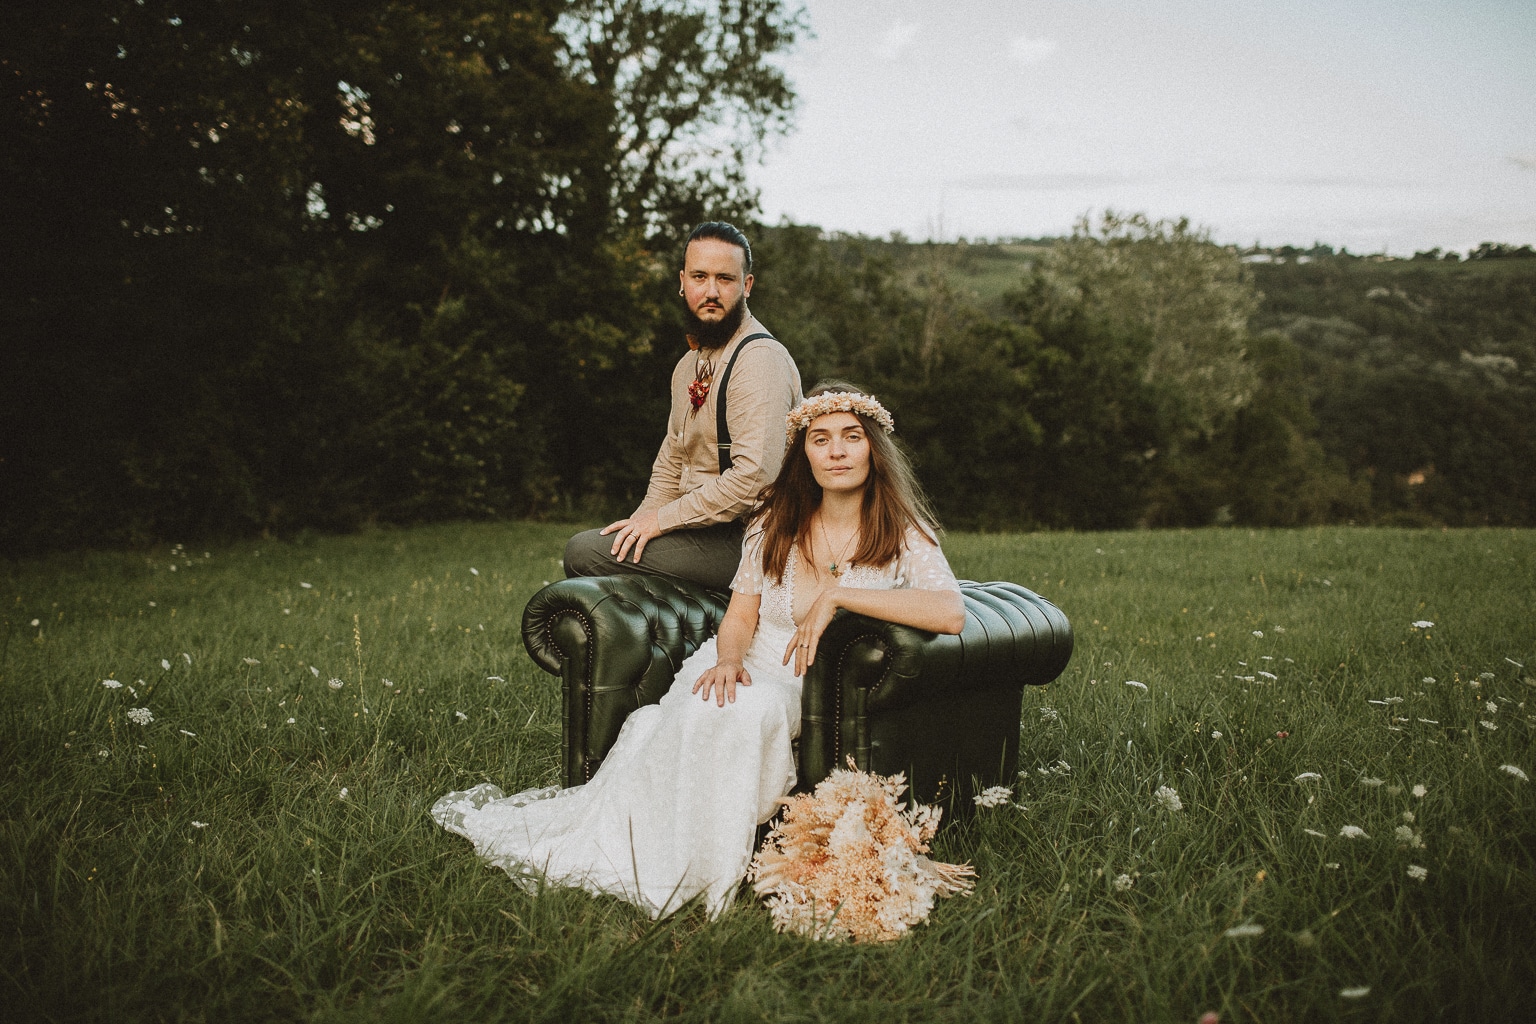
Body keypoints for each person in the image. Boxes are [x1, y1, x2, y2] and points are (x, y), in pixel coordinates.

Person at [432, 383, 966, 919]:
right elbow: (739, 616)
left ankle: (709, 875)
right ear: (803, 454)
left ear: (873, 448)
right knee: (711, 700)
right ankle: (659, 855)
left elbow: (950, 612)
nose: (836, 452)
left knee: (745, 714)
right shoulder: (773, 526)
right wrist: (728, 660)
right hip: (750, 656)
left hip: (814, 677)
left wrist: (839, 594)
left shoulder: (903, 530)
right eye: (820, 439)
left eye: (852, 437)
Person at [562, 221, 802, 592]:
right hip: (702, 529)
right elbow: (673, 459)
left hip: (753, 540)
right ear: (682, 281)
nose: (710, 291)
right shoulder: (687, 366)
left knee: (584, 552)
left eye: (725, 279)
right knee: (607, 547)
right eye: (699, 277)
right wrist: (639, 523)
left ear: (746, 286)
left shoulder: (759, 359)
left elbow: (755, 479)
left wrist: (662, 521)